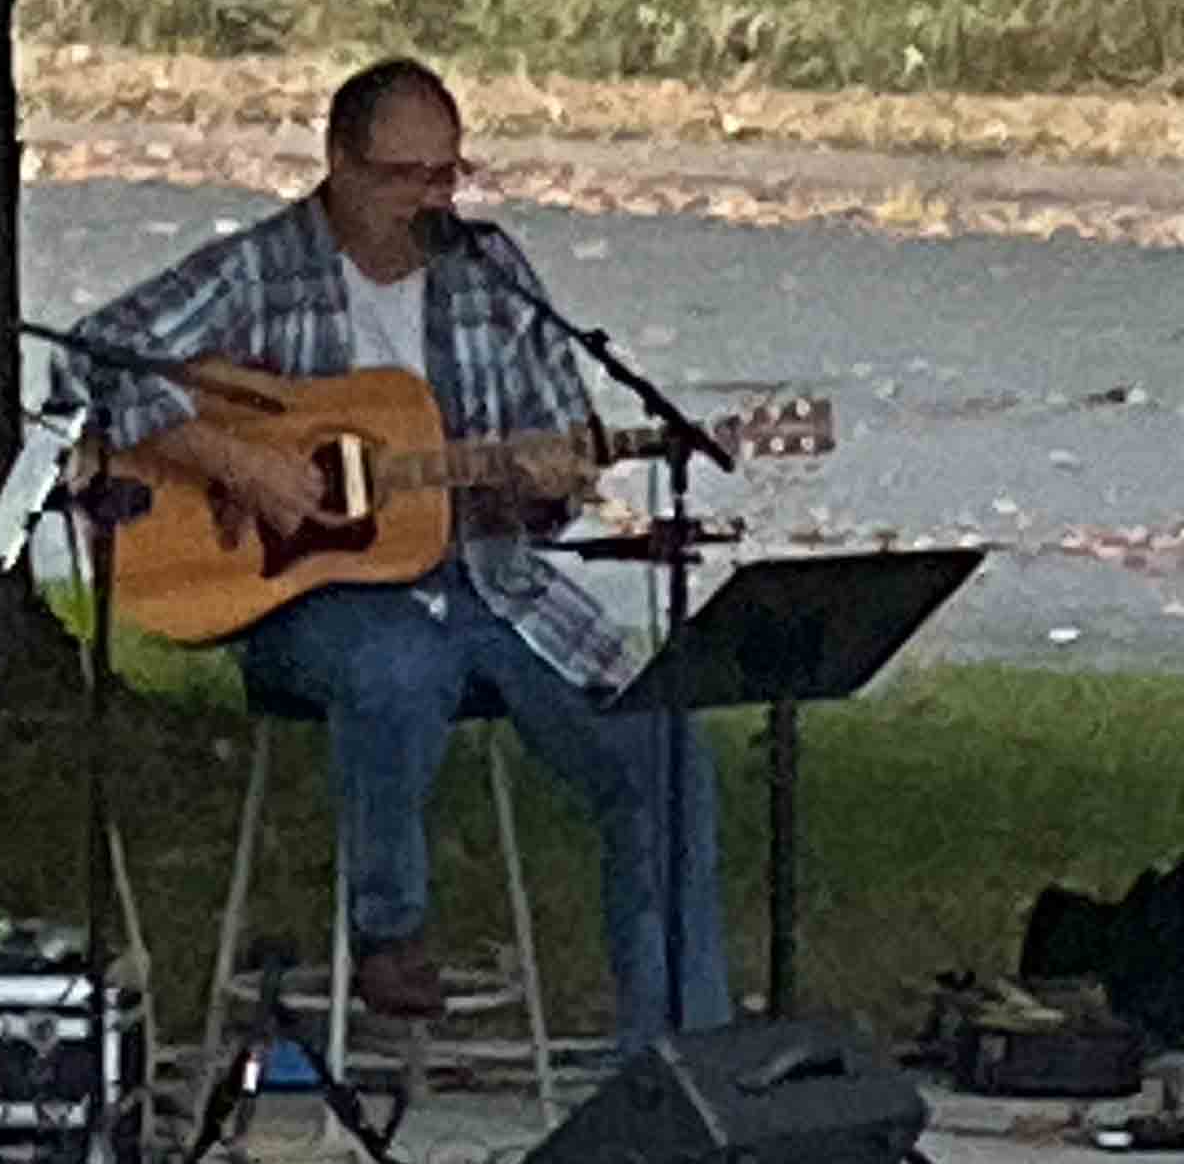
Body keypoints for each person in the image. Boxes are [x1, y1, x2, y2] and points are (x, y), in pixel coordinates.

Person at [64, 55, 727, 1050]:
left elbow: (548, 451)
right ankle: (388, 928)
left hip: (488, 581)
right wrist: (240, 464)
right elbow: (92, 358)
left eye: (446, 175)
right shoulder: (261, 270)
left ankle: (678, 1066)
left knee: (663, 747)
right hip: (310, 600)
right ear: (337, 162)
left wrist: (541, 482)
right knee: (397, 666)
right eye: (401, 176)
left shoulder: (490, 271)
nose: (428, 199)